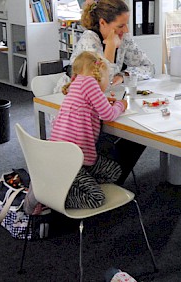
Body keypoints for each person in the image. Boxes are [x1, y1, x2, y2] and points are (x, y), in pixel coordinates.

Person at [55, 0, 155, 185]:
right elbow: (98, 83)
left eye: (126, 24)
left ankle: (107, 178)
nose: (125, 30)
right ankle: (96, 179)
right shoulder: (89, 41)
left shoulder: (124, 38)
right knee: (133, 136)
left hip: (101, 105)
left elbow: (149, 67)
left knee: (139, 135)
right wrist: (109, 49)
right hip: (75, 116)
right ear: (102, 23)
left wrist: (125, 75)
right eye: (120, 25)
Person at [50, 50, 127, 209]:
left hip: (65, 154)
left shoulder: (78, 83)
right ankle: (58, 197)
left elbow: (86, 105)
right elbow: (108, 115)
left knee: (114, 171)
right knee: (96, 199)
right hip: (72, 160)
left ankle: (71, 184)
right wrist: (121, 105)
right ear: (99, 76)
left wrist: (102, 101)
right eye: (108, 78)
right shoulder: (90, 83)